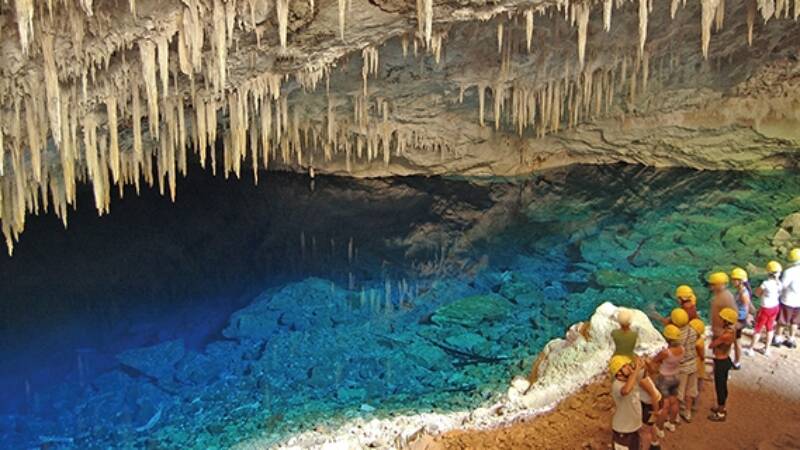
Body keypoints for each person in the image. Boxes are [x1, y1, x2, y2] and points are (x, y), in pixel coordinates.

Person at [650, 324, 683, 433]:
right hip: (676, 377)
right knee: (674, 402)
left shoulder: (666, 352)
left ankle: (659, 428)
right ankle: (671, 423)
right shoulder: (682, 349)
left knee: (664, 405)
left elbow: (654, 360)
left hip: (664, 378)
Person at [747, 261, 783, 356]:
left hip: (765, 309)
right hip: (775, 307)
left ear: (768, 272)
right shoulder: (779, 283)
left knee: (758, 328)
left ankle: (751, 349)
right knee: (770, 328)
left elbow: (757, 293)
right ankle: (767, 349)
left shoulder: (765, 284)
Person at [708, 307, 737, 422]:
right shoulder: (731, 331)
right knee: (722, 385)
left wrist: (714, 337)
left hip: (721, 361)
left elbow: (712, 345)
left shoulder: (725, 335)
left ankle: (721, 411)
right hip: (725, 360)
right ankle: (721, 406)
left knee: (720, 387)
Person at [671, 308, 700, 423]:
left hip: (682, 368)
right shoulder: (692, 331)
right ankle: (687, 412)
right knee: (690, 391)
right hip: (693, 364)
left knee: (679, 394)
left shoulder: (676, 336)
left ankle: (676, 415)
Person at [610, 355, 643, 450]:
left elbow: (647, 372)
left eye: (628, 364)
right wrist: (636, 371)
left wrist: (640, 365)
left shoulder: (631, 380)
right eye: (625, 366)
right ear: (618, 372)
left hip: (634, 428)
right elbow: (626, 391)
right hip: (623, 430)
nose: (629, 367)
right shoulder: (616, 385)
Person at [775, 248, 800, 349]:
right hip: (799, 302)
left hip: (788, 300)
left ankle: (777, 338)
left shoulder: (789, 272)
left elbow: (783, 286)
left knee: (782, 321)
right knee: (795, 322)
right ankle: (791, 339)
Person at [730, 267, 752, 369]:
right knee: (735, 340)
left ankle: (737, 362)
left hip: (739, 320)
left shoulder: (743, 293)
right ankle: (736, 361)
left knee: (736, 341)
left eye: (734, 279)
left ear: (740, 281)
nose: (732, 281)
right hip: (737, 318)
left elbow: (747, 307)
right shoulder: (742, 290)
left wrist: (744, 320)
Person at [708, 272, 736, 339]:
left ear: (720, 285)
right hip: (719, 332)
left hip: (721, 333)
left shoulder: (725, 297)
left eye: (713, 284)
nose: (710, 286)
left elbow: (733, 316)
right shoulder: (721, 296)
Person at [689, 318, 707, 412]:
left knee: (690, 384)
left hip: (691, 363)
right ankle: (695, 404)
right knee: (699, 384)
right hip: (699, 364)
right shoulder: (700, 342)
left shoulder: (689, 339)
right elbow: (702, 355)